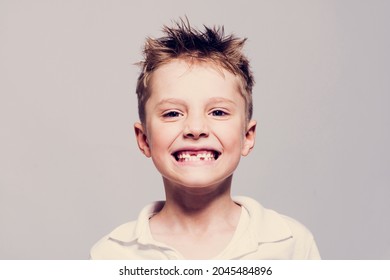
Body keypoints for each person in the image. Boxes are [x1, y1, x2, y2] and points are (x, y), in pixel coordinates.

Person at [90, 19, 321, 260]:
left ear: (247, 136)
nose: (196, 128)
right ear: (144, 139)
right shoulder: (110, 255)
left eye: (218, 112)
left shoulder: (292, 245)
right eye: (172, 113)